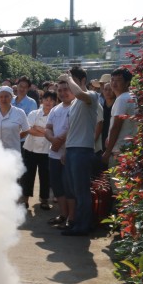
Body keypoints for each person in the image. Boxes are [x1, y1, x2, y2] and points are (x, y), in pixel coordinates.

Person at [57, 71, 98, 236]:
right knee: (74, 190)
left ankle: (83, 226)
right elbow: (72, 129)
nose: (69, 85)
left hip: (83, 150)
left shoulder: (92, 95)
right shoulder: (74, 103)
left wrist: (68, 79)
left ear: (82, 80)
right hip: (73, 150)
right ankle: (79, 223)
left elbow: (80, 94)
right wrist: (66, 150)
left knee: (81, 191)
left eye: (72, 81)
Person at [21, 90, 57, 211]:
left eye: (51, 100)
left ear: (55, 102)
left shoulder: (56, 116)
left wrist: (38, 128)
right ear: (42, 100)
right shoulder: (34, 113)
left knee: (45, 176)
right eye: (46, 99)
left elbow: (55, 133)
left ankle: (44, 200)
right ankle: (25, 200)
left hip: (47, 150)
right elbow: (29, 130)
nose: (48, 102)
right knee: (28, 175)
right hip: (30, 148)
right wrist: (46, 132)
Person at [44, 83, 74, 229]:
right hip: (54, 153)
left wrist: (60, 140)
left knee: (69, 187)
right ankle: (63, 214)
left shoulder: (77, 107)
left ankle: (71, 218)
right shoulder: (55, 109)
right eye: (59, 90)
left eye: (65, 90)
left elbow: (73, 128)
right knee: (57, 186)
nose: (62, 93)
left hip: (70, 153)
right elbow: (48, 128)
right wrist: (52, 139)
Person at [102, 66, 138, 165]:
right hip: (129, 149)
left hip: (119, 152)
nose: (114, 83)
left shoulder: (122, 99)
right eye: (112, 80)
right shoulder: (132, 96)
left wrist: (107, 152)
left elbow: (116, 127)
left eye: (118, 80)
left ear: (127, 83)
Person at [0, 86, 30, 151]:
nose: (3, 99)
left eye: (6, 96)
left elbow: (26, 130)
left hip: (13, 151)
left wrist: (16, 137)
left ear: (12, 97)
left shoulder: (20, 112)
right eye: (1, 97)